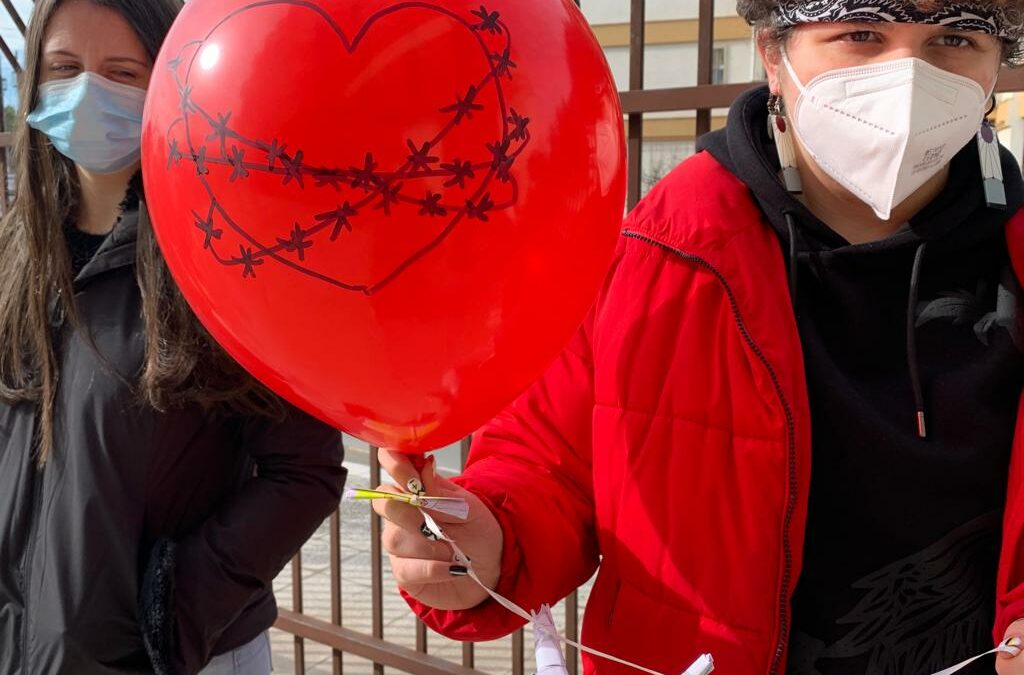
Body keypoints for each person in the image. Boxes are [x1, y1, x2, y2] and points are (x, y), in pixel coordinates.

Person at [374, 1, 1024, 673]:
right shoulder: (655, 255)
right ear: (774, 52)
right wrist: (490, 541)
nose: (909, 73)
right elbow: (547, 470)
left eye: (956, 37)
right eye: (861, 33)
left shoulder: (1017, 258)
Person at [0, 1, 347, 674]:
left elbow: (305, 469)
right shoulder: (18, 250)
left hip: (176, 657)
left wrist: (175, 604)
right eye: (64, 68)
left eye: (122, 72)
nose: (87, 92)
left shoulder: (222, 259)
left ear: (168, 78)